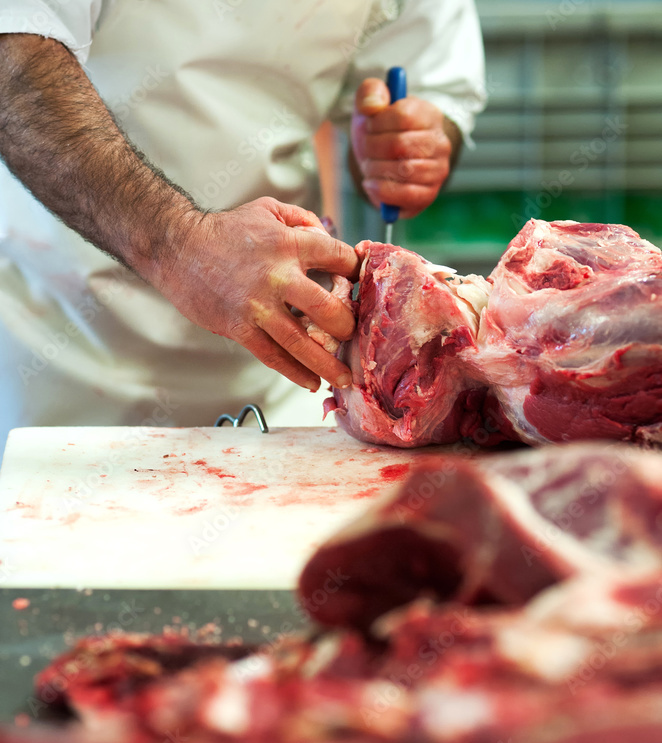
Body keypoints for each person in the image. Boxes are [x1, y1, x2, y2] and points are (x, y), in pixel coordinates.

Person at [0, 0, 485, 437]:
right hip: (69, 350)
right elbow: (13, 54)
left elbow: (428, 79)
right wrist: (179, 244)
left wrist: (408, 145)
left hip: (287, 364)